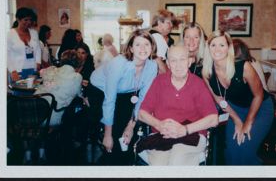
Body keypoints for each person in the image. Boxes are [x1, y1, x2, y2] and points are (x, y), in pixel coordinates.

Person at [138, 45, 218, 165]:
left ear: (189, 62)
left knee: (177, 159)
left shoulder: (198, 84)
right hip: (162, 135)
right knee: (158, 165)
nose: (178, 65)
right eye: (173, 60)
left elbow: (213, 119)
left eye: (182, 59)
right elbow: (142, 113)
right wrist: (159, 125)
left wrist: (184, 130)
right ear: (168, 64)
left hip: (192, 135)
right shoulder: (159, 82)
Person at [202, 30, 273, 165]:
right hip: (235, 109)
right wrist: (237, 121)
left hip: (260, 108)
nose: (217, 49)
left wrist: (247, 123)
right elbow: (219, 99)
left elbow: (259, 95)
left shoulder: (244, 66)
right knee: (231, 151)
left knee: (245, 147)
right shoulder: (207, 72)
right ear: (208, 47)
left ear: (229, 48)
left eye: (222, 45)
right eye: (213, 45)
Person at [87, 29, 158, 165]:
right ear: (130, 48)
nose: (142, 48)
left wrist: (131, 126)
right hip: (99, 89)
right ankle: (109, 160)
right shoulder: (119, 64)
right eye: (137, 45)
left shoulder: (152, 67)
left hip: (127, 92)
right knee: (114, 131)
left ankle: (126, 162)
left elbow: (142, 99)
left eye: (147, 44)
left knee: (128, 128)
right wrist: (108, 135)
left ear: (152, 47)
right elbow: (109, 100)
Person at [7, 7, 41, 82]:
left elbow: (38, 49)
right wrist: (12, 71)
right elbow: (6, 54)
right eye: (26, 20)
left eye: (30, 20)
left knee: (32, 92)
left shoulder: (34, 33)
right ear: (18, 19)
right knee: (19, 92)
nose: (29, 22)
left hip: (33, 69)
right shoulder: (10, 34)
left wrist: (38, 62)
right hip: (17, 70)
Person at [150, 9, 176, 74]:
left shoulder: (150, 35)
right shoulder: (157, 37)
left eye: (172, 23)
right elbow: (160, 67)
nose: (171, 25)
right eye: (168, 23)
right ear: (159, 22)